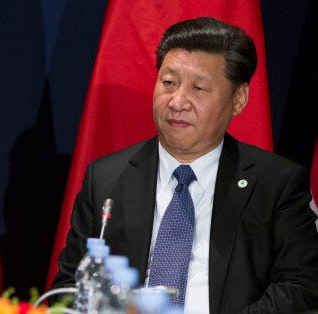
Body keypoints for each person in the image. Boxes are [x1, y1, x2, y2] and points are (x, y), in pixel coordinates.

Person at [50, 16, 318, 313]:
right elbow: (69, 287)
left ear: (238, 99)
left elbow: (300, 286)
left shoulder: (276, 183)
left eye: (199, 88)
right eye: (168, 83)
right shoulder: (105, 178)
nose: (177, 101)